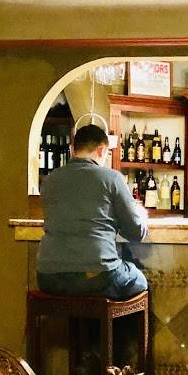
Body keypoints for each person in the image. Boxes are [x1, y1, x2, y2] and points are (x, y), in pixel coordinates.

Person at [37, 123, 148, 299]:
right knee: (140, 280)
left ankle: (79, 319)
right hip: (96, 275)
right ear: (102, 150)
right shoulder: (112, 178)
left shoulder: (49, 180)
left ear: (72, 150)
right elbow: (136, 232)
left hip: (47, 278)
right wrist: (140, 213)